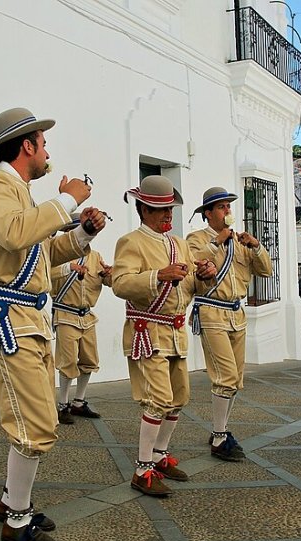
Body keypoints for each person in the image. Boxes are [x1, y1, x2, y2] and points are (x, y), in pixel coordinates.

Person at [0, 107, 104, 541]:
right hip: (6, 320)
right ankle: (17, 521)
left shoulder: (21, 194)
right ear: (27, 145)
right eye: (43, 143)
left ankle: (12, 501)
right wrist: (67, 200)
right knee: (34, 424)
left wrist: (82, 233)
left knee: (38, 419)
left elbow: (42, 253)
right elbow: (14, 234)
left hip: (30, 321)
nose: (47, 151)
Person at [113, 175, 217, 497]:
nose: (168, 214)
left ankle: (159, 455)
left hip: (175, 332)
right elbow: (120, 284)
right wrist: (158, 275)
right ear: (144, 210)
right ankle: (142, 468)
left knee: (179, 397)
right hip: (148, 331)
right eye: (160, 209)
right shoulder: (131, 242)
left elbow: (190, 287)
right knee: (157, 399)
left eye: (170, 208)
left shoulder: (179, 244)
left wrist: (204, 276)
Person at [186, 187, 272, 461]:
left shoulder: (240, 241)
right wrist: (217, 242)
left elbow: (266, 271)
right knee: (224, 376)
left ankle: (221, 429)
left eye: (228, 206)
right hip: (212, 312)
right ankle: (219, 437)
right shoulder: (196, 239)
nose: (227, 211)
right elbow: (191, 267)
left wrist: (255, 246)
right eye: (221, 207)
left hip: (237, 314)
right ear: (208, 213)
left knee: (235, 379)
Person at [51, 243, 112, 425]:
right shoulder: (58, 254)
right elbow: (44, 275)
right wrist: (68, 267)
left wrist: (110, 274)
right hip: (65, 315)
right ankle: (63, 405)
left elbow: (108, 282)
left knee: (89, 360)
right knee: (68, 362)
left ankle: (78, 402)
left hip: (87, 316)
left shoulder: (95, 256)